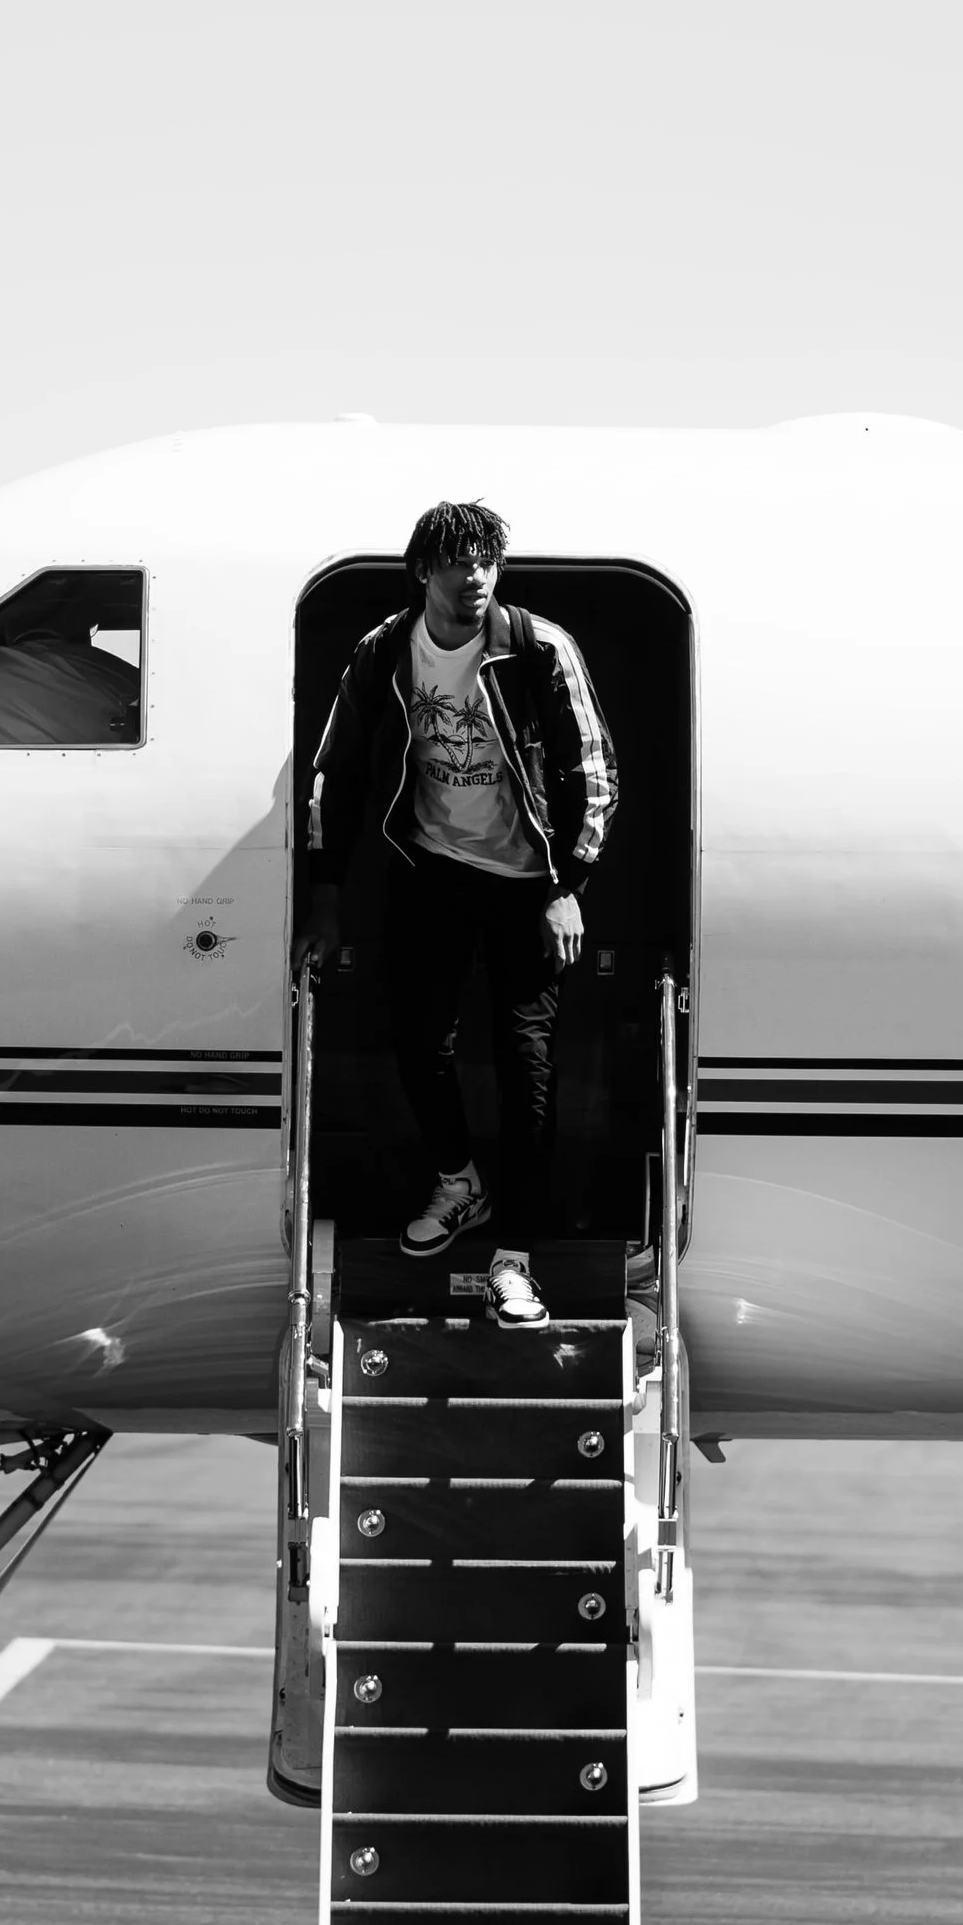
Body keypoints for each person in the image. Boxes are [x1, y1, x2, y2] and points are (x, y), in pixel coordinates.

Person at [299, 501, 618, 1330]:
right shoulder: (386, 653)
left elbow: (595, 769)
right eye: (458, 563)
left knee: (526, 1064)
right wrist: (327, 893)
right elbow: (335, 772)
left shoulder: (538, 647)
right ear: (424, 572)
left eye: (486, 563)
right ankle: (459, 1180)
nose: (475, 578)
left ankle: (515, 1259)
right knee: (415, 1037)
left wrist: (567, 883)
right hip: (432, 871)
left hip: (526, 882)